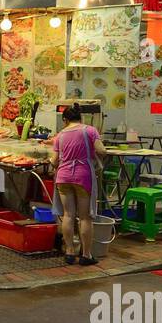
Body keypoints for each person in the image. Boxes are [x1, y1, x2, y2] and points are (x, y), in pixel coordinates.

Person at [50, 104, 106, 266]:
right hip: (83, 177)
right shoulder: (89, 130)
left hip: (63, 177)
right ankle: (86, 255)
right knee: (84, 217)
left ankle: (69, 252)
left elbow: (54, 161)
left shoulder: (60, 135)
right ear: (80, 117)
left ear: (65, 120)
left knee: (68, 215)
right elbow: (101, 150)